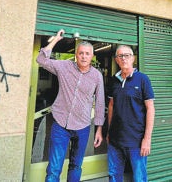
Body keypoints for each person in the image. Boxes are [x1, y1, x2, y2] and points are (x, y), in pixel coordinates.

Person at [36, 29, 105, 182]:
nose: (84, 56)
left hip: (82, 127)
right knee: (54, 169)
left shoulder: (97, 76)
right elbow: (41, 59)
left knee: (76, 166)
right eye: (81, 53)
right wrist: (55, 40)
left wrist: (99, 128)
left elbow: (100, 102)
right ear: (76, 54)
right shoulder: (64, 67)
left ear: (92, 56)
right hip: (60, 125)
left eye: (87, 54)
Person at [107, 45, 155, 182]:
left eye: (127, 55)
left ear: (133, 58)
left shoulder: (143, 79)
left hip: (137, 141)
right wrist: (109, 132)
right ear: (116, 60)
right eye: (120, 56)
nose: (123, 58)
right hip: (115, 141)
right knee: (114, 175)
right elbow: (111, 106)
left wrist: (147, 139)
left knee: (139, 178)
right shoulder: (113, 81)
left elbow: (150, 108)